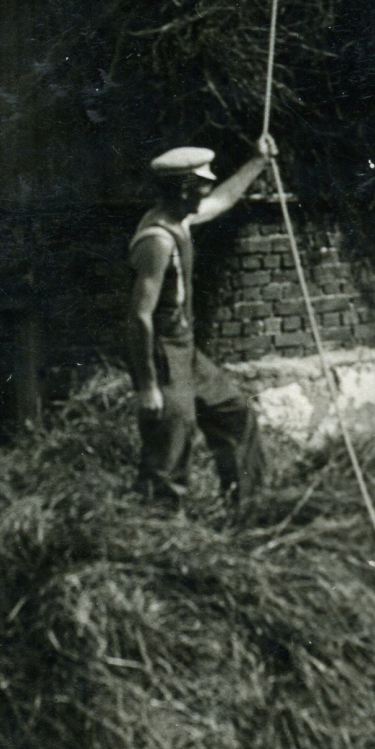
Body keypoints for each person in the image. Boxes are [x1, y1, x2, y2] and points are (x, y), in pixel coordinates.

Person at [126, 134, 277, 507]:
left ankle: (249, 509)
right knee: (174, 438)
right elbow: (139, 316)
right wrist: (148, 387)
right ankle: (159, 530)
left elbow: (222, 201)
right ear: (181, 191)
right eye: (199, 187)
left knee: (235, 414)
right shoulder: (156, 240)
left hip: (186, 348)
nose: (203, 195)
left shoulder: (181, 216)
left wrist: (257, 162)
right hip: (164, 352)